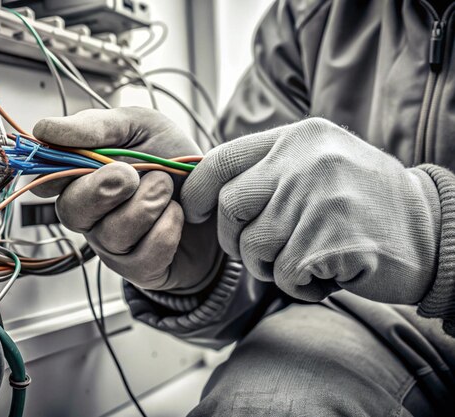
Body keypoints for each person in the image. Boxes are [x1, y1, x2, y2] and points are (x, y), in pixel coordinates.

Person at [33, 0, 455, 415]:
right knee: (266, 406)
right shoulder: (311, 15)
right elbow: (252, 247)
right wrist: (209, 263)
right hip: (362, 326)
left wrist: (431, 229)